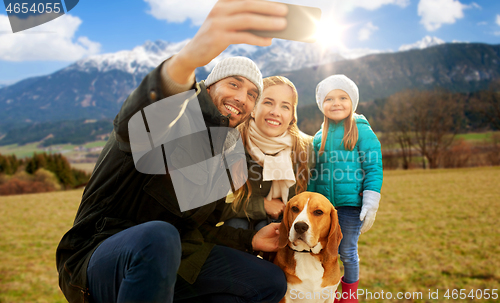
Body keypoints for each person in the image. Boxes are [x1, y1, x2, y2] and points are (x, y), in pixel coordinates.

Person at [55, 1, 291, 303]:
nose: (241, 98)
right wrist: (188, 59)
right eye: (233, 84)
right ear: (208, 87)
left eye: (251, 94)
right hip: (100, 257)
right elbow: (137, 118)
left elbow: (201, 230)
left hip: (175, 259)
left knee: (268, 281)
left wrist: (249, 239)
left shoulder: (230, 154)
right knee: (159, 236)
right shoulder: (174, 115)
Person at [307, 75, 383, 303]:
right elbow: (313, 173)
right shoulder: (319, 137)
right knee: (321, 251)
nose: (336, 103)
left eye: (343, 97)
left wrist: (370, 201)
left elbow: (374, 167)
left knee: (347, 251)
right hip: (323, 209)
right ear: (322, 105)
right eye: (329, 99)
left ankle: (349, 297)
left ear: (353, 102)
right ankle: (324, 291)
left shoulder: (362, 131)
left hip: (350, 206)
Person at [222, 76, 313, 231]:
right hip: (240, 224)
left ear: (292, 117)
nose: (275, 112)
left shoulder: (306, 148)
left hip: (284, 224)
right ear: (253, 109)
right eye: (268, 102)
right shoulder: (231, 143)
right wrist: (262, 205)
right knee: (236, 226)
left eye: (285, 107)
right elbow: (215, 206)